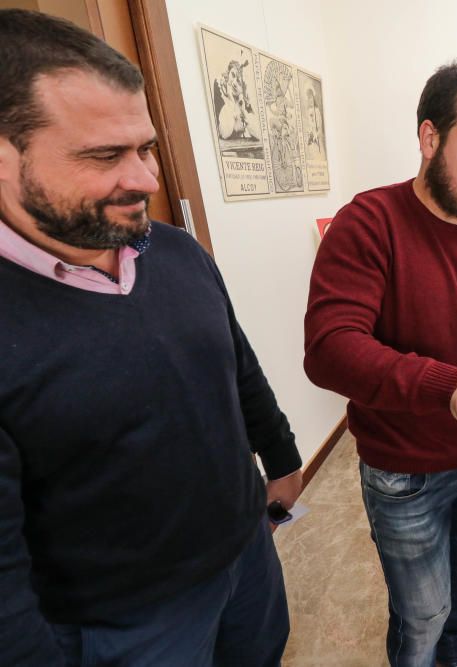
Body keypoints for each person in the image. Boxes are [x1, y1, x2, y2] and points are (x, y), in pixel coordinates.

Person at [0, 10, 302, 665]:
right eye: (106, 155)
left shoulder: (173, 250)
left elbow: (234, 363)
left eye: (146, 148)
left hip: (247, 556)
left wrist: (281, 458)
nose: (147, 180)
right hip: (128, 624)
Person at [304, 60, 457, 667]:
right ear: (429, 137)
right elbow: (330, 348)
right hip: (405, 472)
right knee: (421, 616)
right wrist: (452, 386)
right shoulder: (369, 224)